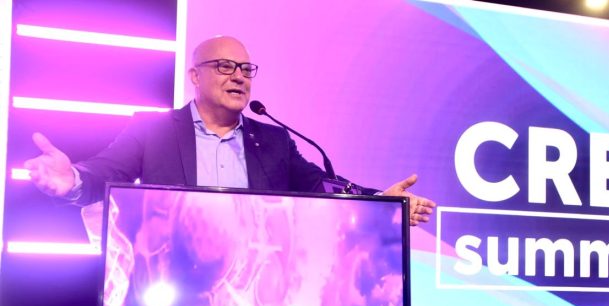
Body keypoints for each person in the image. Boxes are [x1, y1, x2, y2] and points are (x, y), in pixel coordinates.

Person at [24, 36, 435, 225]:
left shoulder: (272, 140)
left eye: (246, 69)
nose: (238, 76)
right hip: (169, 289)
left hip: (252, 294)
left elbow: (321, 185)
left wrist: (381, 201)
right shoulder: (154, 130)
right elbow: (107, 172)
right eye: (224, 66)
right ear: (195, 76)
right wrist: (74, 179)